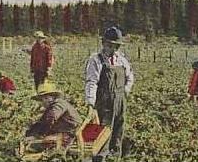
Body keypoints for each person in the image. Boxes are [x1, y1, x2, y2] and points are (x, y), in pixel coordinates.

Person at [85, 26, 134, 161]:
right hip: (104, 102)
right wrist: (90, 102)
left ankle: (115, 156)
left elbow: (130, 77)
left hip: (120, 101)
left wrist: (125, 91)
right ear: (103, 43)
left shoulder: (122, 60)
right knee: (104, 132)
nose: (113, 49)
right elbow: (92, 82)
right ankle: (100, 158)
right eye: (110, 46)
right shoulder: (96, 60)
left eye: (116, 46)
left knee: (118, 130)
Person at [25, 82, 81, 150]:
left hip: (69, 133)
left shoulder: (59, 104)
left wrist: (40, 135)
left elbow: (51, 118)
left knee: (41, 144)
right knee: (32, 140)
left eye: (46, 98)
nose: (44, 101)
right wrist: (31, 133)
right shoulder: (51, 106)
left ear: (53, 96)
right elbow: (42, 122)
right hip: (61, 131)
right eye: (42, 99)